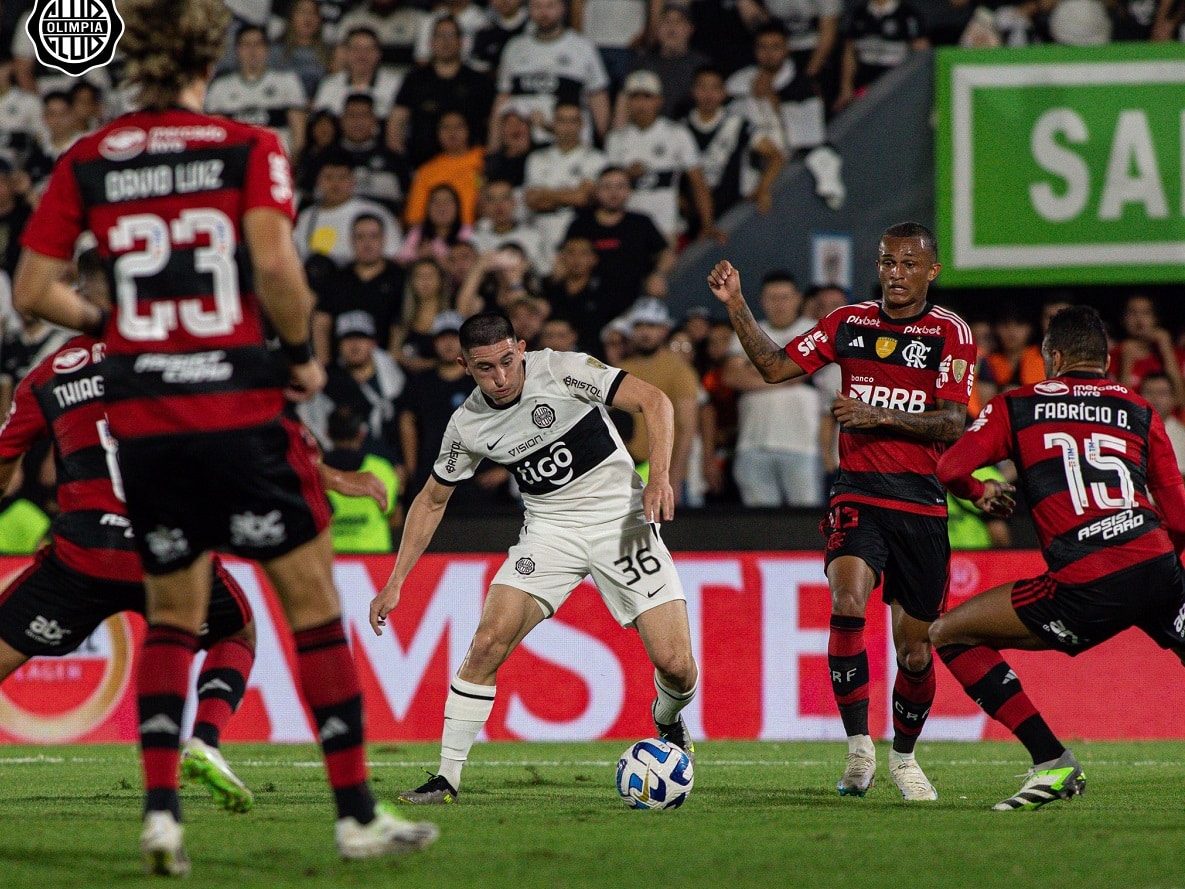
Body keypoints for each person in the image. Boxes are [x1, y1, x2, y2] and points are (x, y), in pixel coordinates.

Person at [11, 0, 438, 873]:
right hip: (238, 411)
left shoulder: (88, 158)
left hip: (147, 425)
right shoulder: (246, 147)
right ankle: (355, 813)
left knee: (172, 618)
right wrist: (298, 356)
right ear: (209, 62)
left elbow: (30, 291)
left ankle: (162, 816)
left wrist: (114, 323)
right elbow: (276, 267)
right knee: (310, 609)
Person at [371, 311, 699, 803]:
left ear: (522, 348)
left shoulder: (564, 371)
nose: (501, 378)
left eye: (508, 361)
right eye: (485, 369)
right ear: (464, 365)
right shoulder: (468, 425)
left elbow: (655, 400)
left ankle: (667, 718)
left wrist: (660, 478)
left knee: (676, 665)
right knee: (486, 642)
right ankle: (446, 777)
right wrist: (396, 579)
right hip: (549, 531)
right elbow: (433, 499)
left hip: (622, 521)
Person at [707, 222, 977, 801]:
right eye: (886, 263)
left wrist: (878, 416)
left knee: (915, 648)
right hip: (857, 491)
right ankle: (859, 750)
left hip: (921, 504)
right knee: (847, 600)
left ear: (932, 270)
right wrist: (737, 307)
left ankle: (903, 757)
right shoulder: (850, 323)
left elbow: (953, 422)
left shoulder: (950, 332)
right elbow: (775, 367)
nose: (895, 274)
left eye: (908, 264)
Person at [932, 305, 1185, 810]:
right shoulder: (1138, 408)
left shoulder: (1017, 405)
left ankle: (1053, 762)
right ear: (1108, 358)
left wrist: (979, 490)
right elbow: (1178, 517)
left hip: (1085, 581)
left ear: (1054, 356)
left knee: (949, 633)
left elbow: (948, 465)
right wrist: (1152, 566)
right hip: (1157, 564)